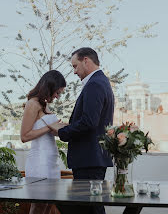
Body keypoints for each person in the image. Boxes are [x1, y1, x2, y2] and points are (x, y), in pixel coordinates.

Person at [48, 47, 114, 214]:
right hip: (92, 158)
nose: (74, 72)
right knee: (92, 207)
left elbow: (89, 122)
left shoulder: (95, 84)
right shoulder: (101, 82)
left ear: (86, 60)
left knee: (87, 208)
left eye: (75, 66)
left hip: (89, 159)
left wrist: (61, 132)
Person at [21, 70, 67, 214]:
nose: (57, 96)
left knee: (48, 205)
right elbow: (24, 136)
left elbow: (49, 130)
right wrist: (49, 127)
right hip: (39, 162)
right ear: (50, 87)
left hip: (51, 161)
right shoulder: (33, 104)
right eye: (57, 92)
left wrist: (61, 128)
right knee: (39, 205)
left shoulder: (45, 105)